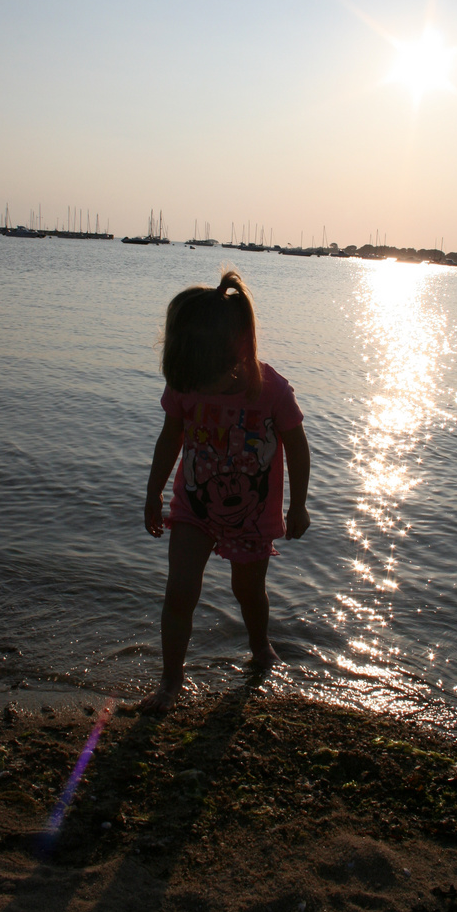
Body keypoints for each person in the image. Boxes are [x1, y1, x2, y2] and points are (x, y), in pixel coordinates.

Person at [140, 269, 310, 713]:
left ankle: (260, 649)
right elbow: (170, 438)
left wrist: (299, 505)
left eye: (201, 381)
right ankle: (171, 681)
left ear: (235, 353)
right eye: (186, 381)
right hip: (194, 504)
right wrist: (153, 492)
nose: (193, 389)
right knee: (180, 592)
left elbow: (296, 444)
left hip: (253, 515)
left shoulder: (270, 390)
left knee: (248, 591)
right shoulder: (187, 379)